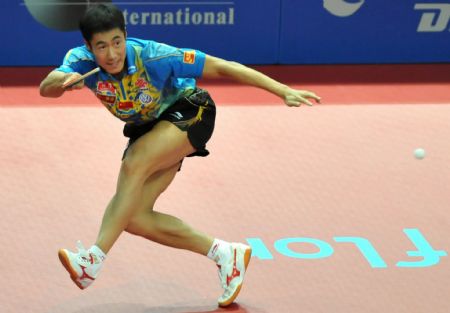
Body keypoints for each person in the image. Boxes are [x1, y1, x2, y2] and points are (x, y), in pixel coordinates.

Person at [39, 3, 321, 307]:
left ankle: (93, 260)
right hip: (149, 129)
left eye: (117, 42)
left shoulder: (155, 56)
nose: (111, 54)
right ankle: (226, 253)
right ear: (88, 46)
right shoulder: (80, 61)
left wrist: (282, 91)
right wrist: (62, 83)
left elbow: (223, 66)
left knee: (134, 164)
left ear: (125, 36)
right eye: (102, 46)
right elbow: (47, 88)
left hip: (190, 111)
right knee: (133, 218)